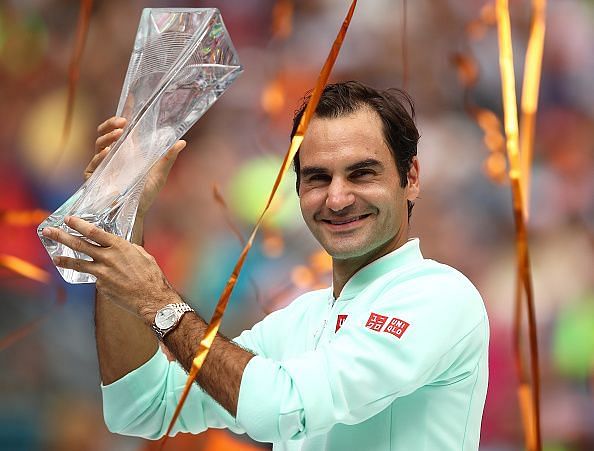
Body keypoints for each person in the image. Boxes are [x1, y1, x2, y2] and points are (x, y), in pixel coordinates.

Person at [43, 81, 489, 450]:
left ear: (410, 178)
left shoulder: (440, 296)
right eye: (317, 177)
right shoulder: (301, 320)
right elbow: (142, 406)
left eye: (361, 173)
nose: (336, 198)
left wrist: (158, 301)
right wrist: (126, 215)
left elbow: (285, 408)